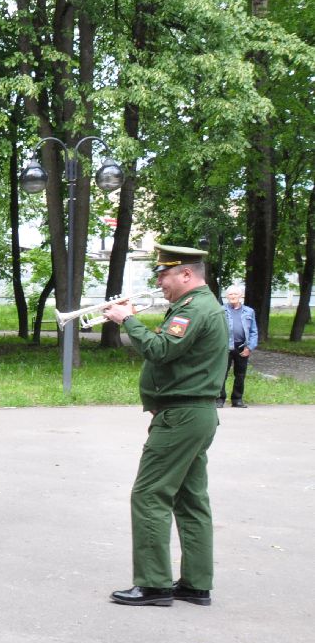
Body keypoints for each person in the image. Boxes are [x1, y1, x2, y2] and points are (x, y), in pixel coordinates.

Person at [101, 243, 229, 607]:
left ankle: (154, 584)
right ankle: (196, 583)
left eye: (164, 274)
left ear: (186, 274)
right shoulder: (198, 307)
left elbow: (160, 350)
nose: (159, 282)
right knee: (190, 499)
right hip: (194, 414)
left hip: (182, 415)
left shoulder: (193, 309)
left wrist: (127, 319)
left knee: (149, 494)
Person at [219, 285, 258, 408]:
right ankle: (219, 399)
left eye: (235, 294)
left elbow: (253, 331)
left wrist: (249, 347)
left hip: (242, 347)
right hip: (225, 347)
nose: (233, 297)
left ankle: (237, 400)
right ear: (227, 296)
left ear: (240, 296)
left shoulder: (249, 311)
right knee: (221, 374)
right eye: (230, 294)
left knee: (240, 375)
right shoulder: (221, 310)